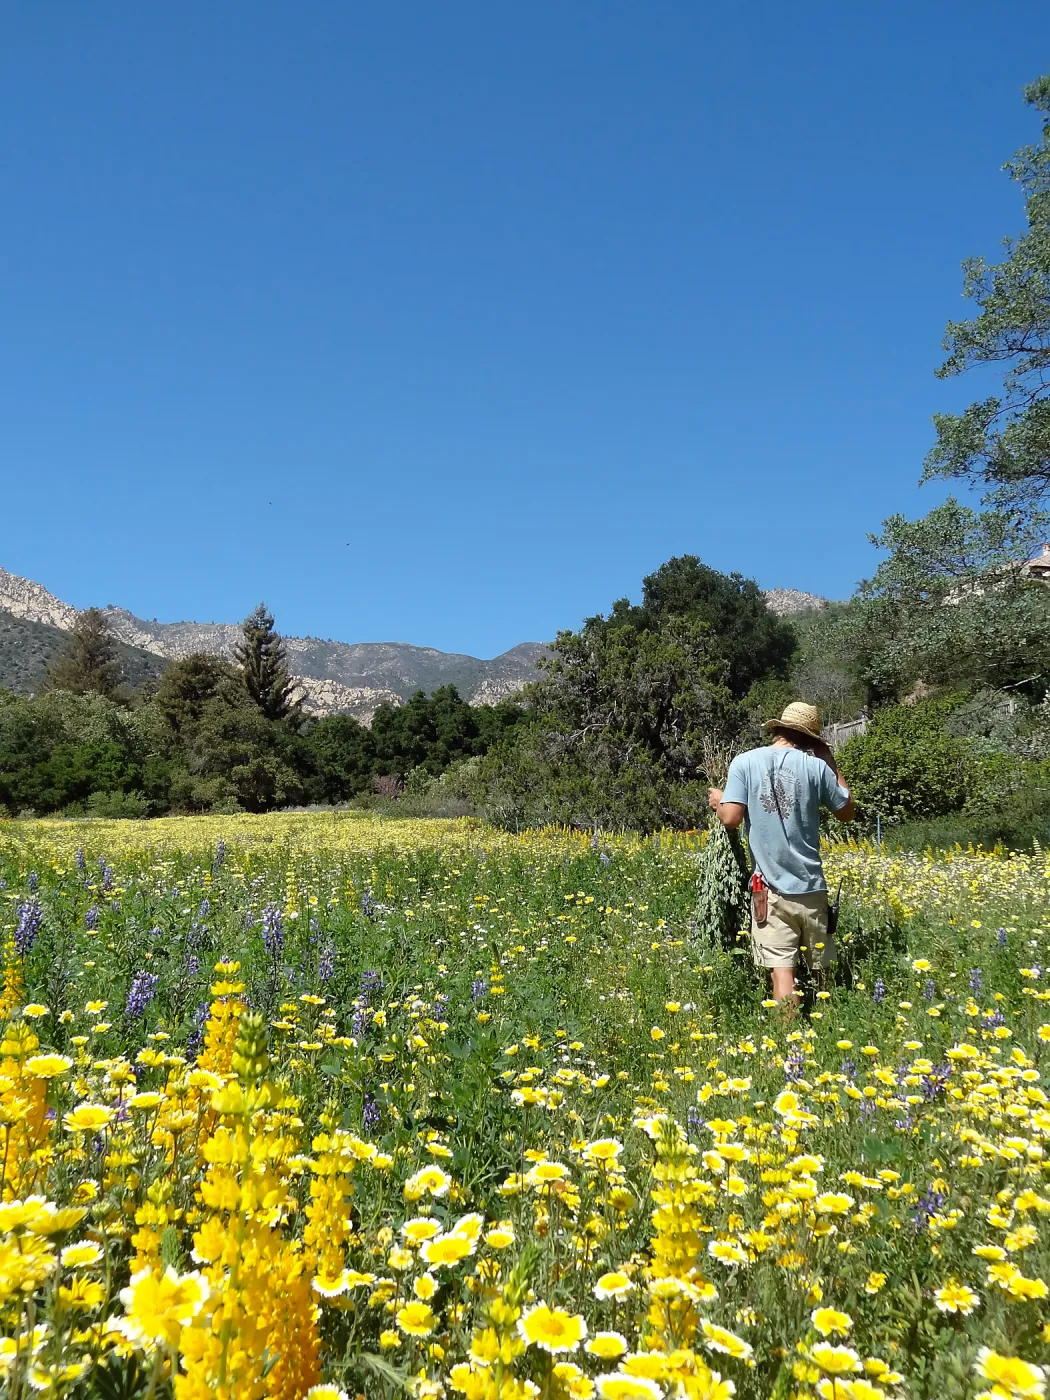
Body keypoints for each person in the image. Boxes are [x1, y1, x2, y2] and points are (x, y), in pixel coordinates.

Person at [707, 701, 854, 1004]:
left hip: (769, 890)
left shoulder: (745, 762)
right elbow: (847, 812)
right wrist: (829, 760)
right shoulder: (816, 768)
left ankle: (788, 1041)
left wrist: (719, 801)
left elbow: (731, 819)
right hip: (812, 888)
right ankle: (829, 1029)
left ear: (777, 730)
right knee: (822, 973)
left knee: (781, 971)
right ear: (811, 739)